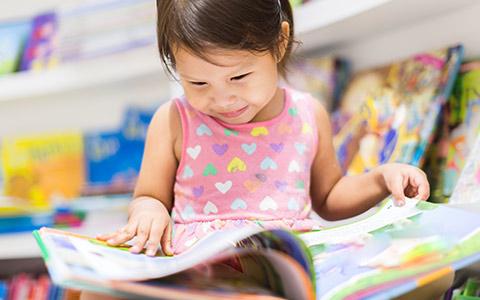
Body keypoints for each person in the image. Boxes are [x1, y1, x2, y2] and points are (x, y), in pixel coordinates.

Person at [97, 0, 430, 257]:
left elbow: (328, 198)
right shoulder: (174, 121)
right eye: (197, 82)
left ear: (281, 41)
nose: (222, 98)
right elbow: (149, 196)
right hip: (204, 270)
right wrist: (149, 211)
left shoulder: (307, 115)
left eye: (239, 77)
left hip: (288, 265)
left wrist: (380, 178)